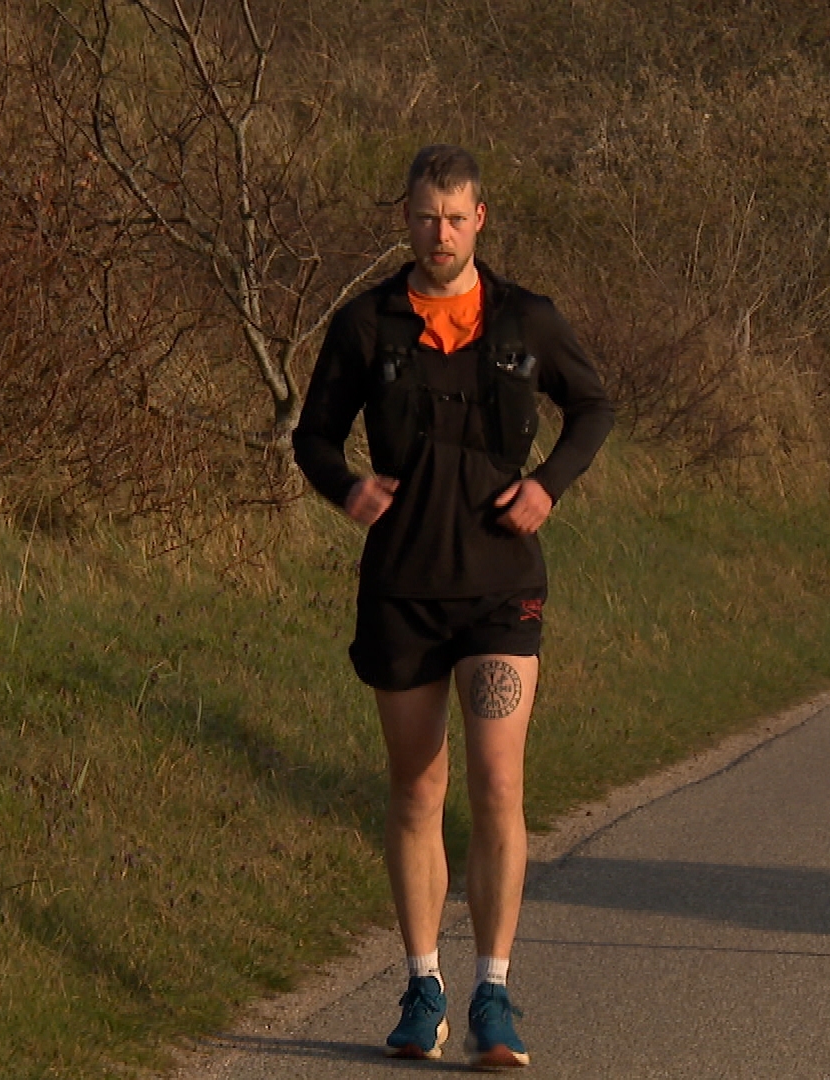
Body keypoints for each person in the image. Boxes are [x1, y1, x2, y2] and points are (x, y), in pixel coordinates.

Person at [292, 144, 615, 1068]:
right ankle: (423, 982)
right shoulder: (365, 325)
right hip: (402, 586)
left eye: (456, 216)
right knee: (416, 787)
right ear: (406, 219)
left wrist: (549, 485)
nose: (441, 232)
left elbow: (592, 408)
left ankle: (494, 994)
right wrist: (343, 488)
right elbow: (313, 435)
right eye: (426, 216)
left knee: (498, 785)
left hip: (501, 585)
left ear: (483, 219)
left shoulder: (527, 319)